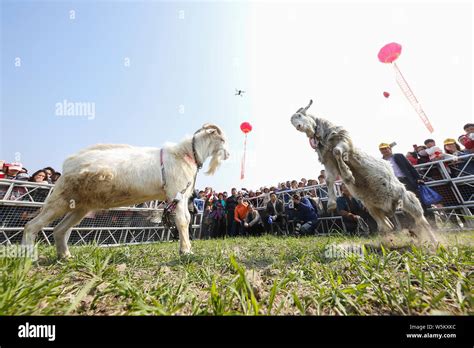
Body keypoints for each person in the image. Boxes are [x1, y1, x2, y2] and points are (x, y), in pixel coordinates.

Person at [379, 142, 436, 227]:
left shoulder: (399, 156)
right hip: (395, 184)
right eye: (382, 149)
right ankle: (415, 227)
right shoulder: (381, 162)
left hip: (407, 181)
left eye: (385, 148)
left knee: (420, 202)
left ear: (390, 149)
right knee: (404, 205)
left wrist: (418, 178)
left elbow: (410, 167)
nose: (384, 150)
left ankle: (432, 225)